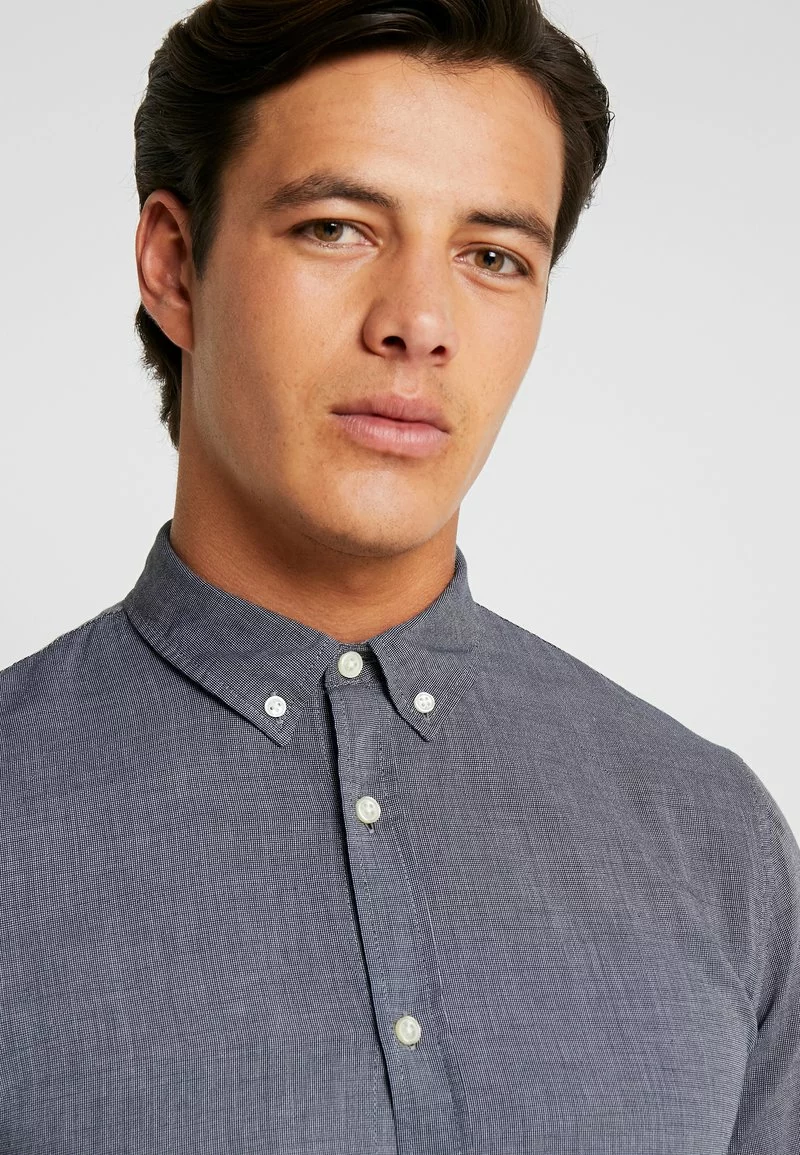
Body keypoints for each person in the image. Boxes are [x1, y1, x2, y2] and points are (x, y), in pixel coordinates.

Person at [1, 0, 797, 1150]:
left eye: (491, 256)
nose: (418, 322)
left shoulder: (713, 837)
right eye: (336, 228)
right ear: (174, 268)